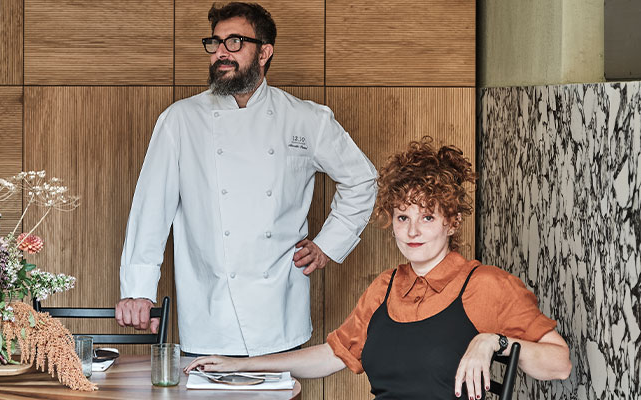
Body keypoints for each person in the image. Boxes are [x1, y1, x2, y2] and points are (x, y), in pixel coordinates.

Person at [184, 138, 572, 399]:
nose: (413, 231)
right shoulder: (386, 287)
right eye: (403, 217)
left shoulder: (485, 285)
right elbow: (333, 355)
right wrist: (239, 365)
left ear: (452, 222)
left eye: (427, 217)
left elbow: (559, 364)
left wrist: (495, 342)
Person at [115, 2, 377, 357]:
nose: (221, 53)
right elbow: (150, 210)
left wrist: (329, 244)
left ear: (264, 52)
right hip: (209, 313)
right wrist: (138, 291)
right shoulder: (180, 121)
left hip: (279, 313)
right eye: (215, 43)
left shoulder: (305, 119)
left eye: (234, 42)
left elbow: (362, 180)